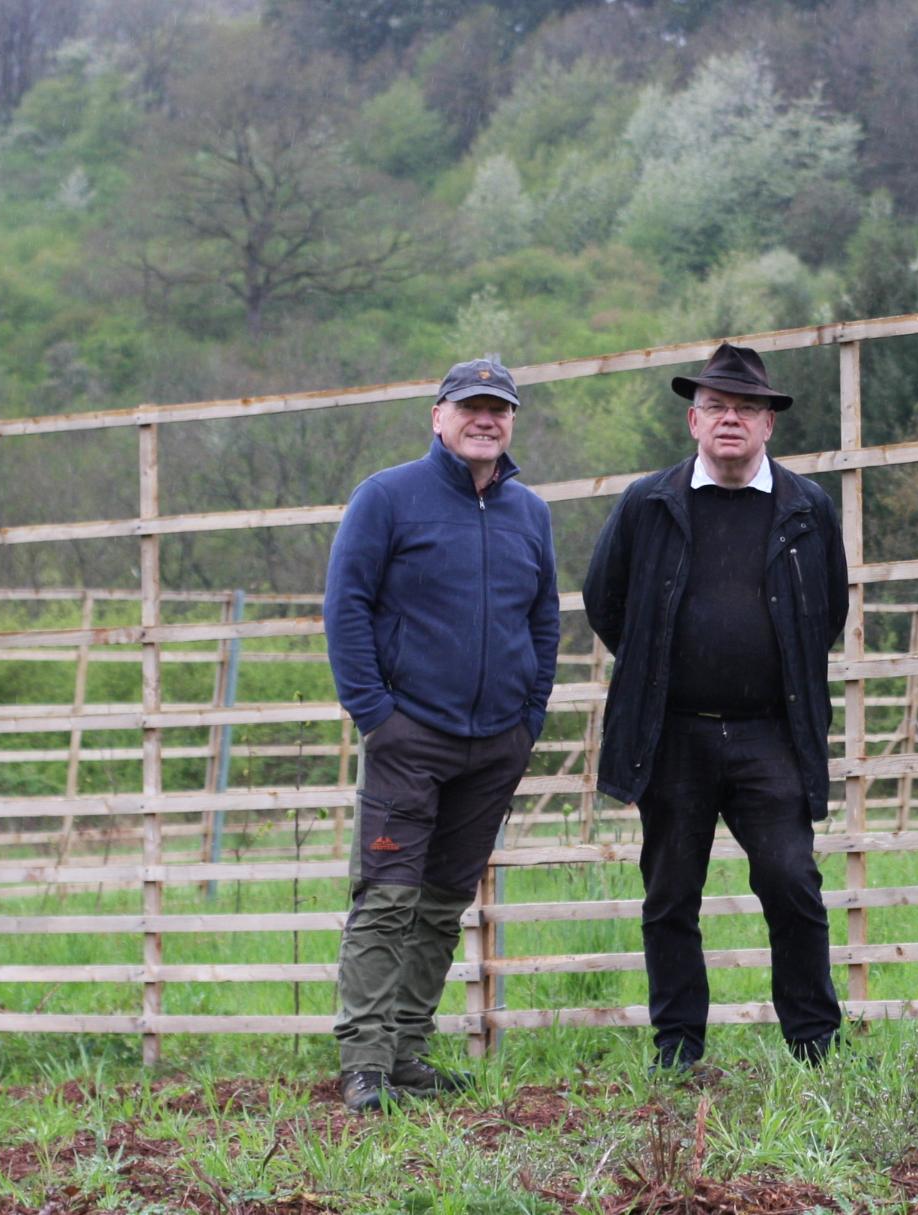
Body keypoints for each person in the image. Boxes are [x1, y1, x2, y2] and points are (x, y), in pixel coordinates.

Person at [583, 342, 848, 1073]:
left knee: (793, 881)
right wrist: (663, 667)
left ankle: (816, 1044)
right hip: (673, 734)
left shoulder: (807, 507)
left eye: (747, 408)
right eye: (717, 407)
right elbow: (604, 600)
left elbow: (827, 610)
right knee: (671, 893)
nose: (731, 419)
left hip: (771, 733)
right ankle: (678, 1049)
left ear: (770, 424)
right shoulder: (649, 503)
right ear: (694, 421)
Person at [324, 356, 559, 1113]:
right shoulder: (388, 497)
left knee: (440, 903)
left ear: (512, 421)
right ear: (438, 414)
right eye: (470, 406)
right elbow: (347, 606)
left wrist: (528, 718)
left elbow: (545, 619)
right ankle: (364, 1065)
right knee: (388, 900)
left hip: (495, 743)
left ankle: (407, 1054)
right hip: (410, 736)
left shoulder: (531, 513)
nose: (485, 419)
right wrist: (376, 715)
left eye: (499, 408)